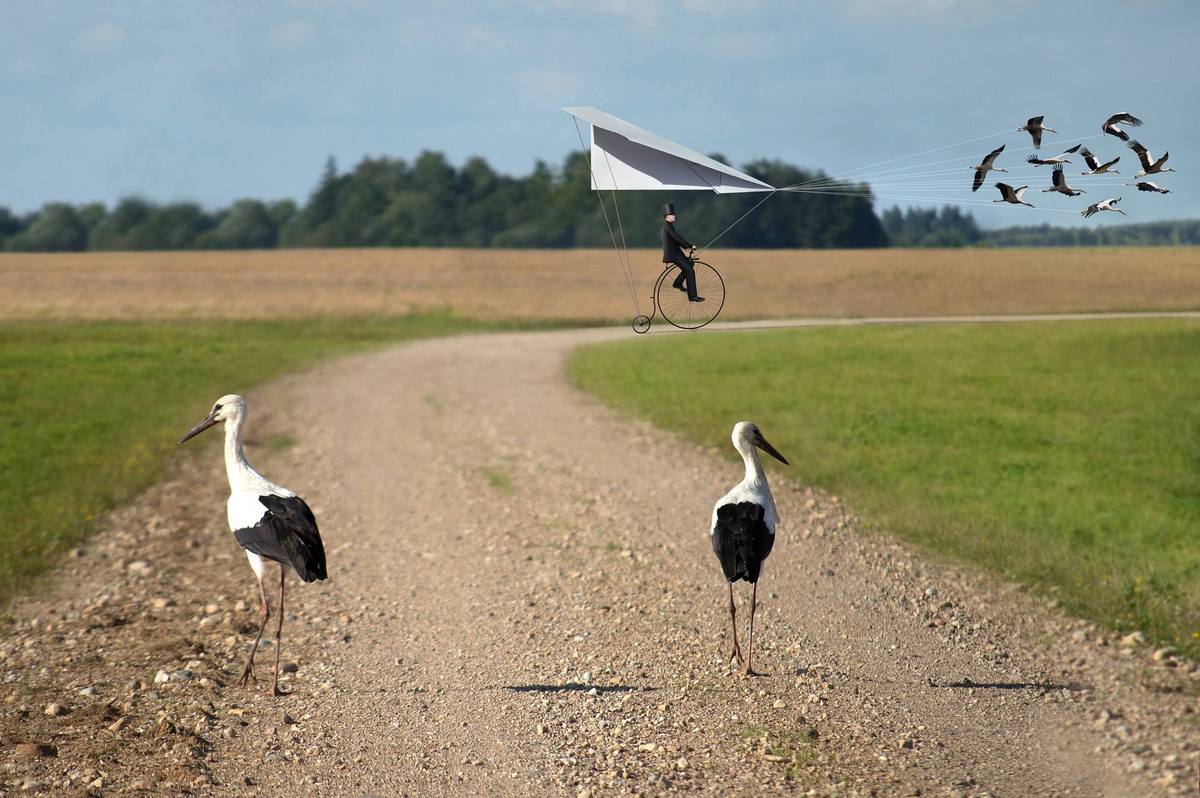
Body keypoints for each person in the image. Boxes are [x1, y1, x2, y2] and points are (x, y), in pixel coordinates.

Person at [661, 203, 704, 302]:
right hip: (674, 255)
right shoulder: (667, 227)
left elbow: (676, 240)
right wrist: (690, 246)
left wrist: (687, 247)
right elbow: (677, 238)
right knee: (690, 270)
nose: (674, 216)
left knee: (689, 264)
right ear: (667, 216)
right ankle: (692, 296)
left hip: (676, 253)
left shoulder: (668, 226)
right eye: (672, 215)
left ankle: (678, 283)